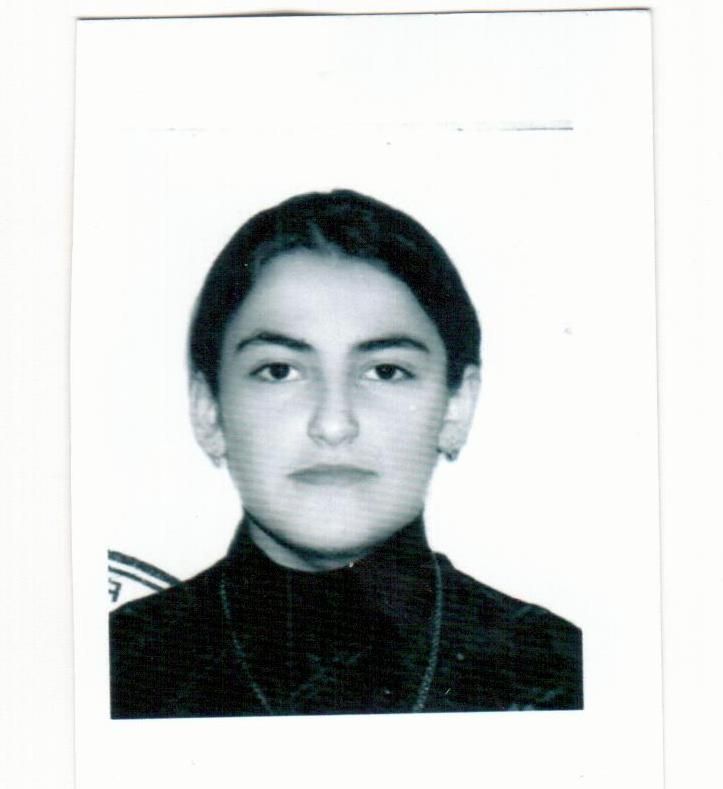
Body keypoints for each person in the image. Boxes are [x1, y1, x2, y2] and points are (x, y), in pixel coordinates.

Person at [110, 189, 583, 717]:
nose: (333, 424)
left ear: (456, 407)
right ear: (209, 411)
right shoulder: (118, 669)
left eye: (385, 371)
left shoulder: (558, 672)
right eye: (279, 371)